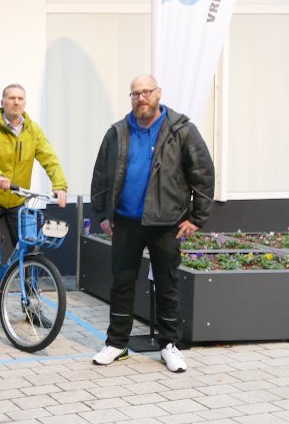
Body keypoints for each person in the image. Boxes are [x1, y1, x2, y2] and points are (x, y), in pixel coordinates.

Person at [90, 75, 214, 373]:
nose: (140, 98)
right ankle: (117, 343)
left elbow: (203, 173)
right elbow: (101, 176)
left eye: (145, 92)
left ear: (158, 93)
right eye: (134, 94)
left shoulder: (181, 130)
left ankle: (169, 345)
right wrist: (102, 215)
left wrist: (197, 218)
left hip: (166, 222)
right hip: (126, 222)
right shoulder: (117, 132)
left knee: (167, 283)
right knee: (121, 282)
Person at [0, 83, 68, 310]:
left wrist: (60, 185)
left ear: (24, 103)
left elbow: (49, 158)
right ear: (2, 102)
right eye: (11, 98)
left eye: (20, 99)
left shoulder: (33, 131)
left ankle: (31, 302)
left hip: (17, 200)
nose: (16, 102)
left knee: (31, 248)